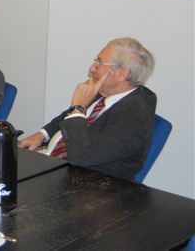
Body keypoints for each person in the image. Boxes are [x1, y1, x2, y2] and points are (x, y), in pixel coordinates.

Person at [18, 37, 156, 181]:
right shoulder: (105, 92)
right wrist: (41, 136)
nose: (91, 69)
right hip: (50, 164)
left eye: (99, 63)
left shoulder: (135, 115)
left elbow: (82, 156)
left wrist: (79, 107)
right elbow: (67, 118)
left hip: (83, 184)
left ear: (122, 74)